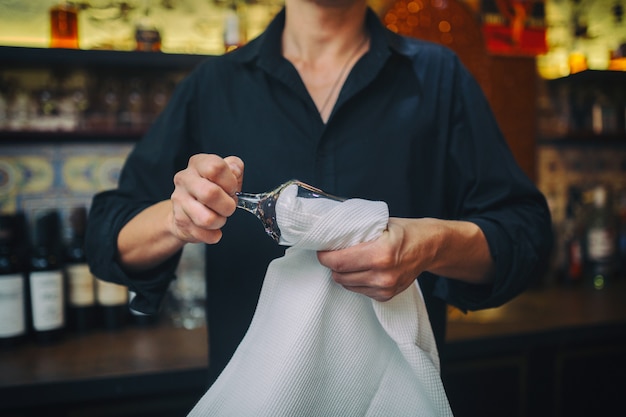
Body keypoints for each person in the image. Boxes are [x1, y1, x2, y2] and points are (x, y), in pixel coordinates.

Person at [85, 0, 553, 388]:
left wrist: (430, 244)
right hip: (253, 396)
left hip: (397, 397)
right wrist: (176, 218)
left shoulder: (438, 76)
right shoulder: (213, 85)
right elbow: (108, 235)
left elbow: (525, 235)